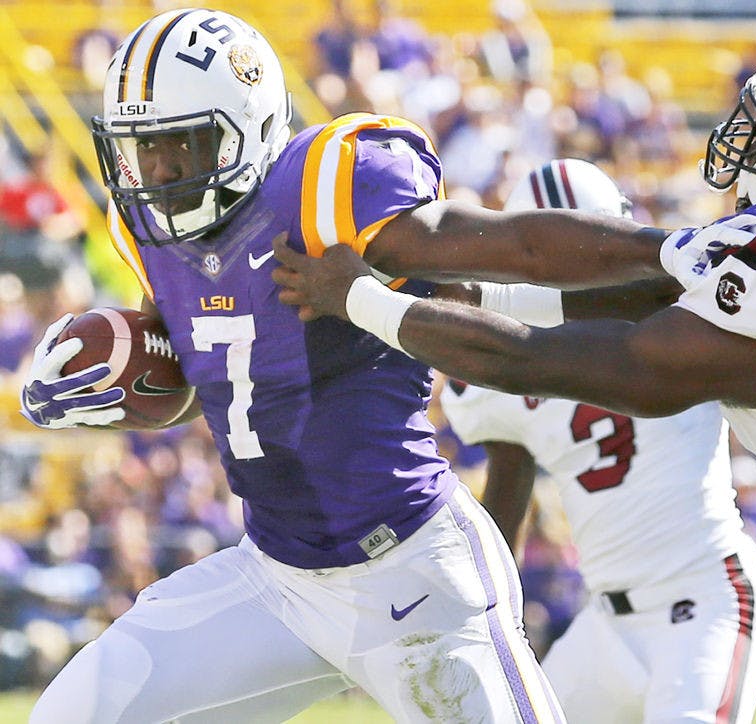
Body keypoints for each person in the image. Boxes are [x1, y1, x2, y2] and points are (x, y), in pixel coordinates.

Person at [271, 38, 756, 720]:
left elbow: (582, 362)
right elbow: (625, 264)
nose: (745, 141)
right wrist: (463, 282)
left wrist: (365, 300)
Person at [20, 9, 565, 722]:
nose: (154, 171)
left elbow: (504, 256)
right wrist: (119, 383)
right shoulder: (145, 232)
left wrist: (657, 261)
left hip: (413, 567)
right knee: (76, 713)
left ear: (242, 129)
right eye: (140, 149)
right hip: (277, 577)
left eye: (178, 145)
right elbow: (215, 372)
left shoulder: (323, 189)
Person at [440, 158, 756, 722]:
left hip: (706, 598)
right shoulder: (502, 357)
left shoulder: (681, 312)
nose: (570, 265)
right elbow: (509, 487)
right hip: (604, 619)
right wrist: (488, 618)